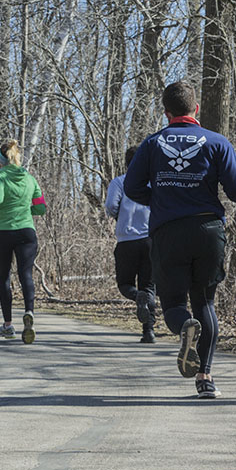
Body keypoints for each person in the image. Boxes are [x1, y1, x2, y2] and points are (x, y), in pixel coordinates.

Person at [124, 80, 236, 398]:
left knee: (176, 304)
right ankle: (205, 378)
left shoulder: (152, 144)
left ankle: (184, 328)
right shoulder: (216, 142)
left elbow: (132, 189)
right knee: (205, 301)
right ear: (196, 109)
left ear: (166, 112)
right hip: (208, 231)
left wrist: (164, 199)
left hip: (168, 233)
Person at [0, 140, 46, 344]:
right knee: (26, 274)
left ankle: (7, 325)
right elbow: (41, 208)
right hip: (26, 231)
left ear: (1, 158)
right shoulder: (30, 179)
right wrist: (25, 210)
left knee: (4, 276)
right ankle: (29, 312)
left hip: (4, 232)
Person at [104, 146, 156, 343]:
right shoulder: (154, 183)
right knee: (149, 286)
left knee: (125, 284)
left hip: (126, 241)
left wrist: (118, 215)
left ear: (127, 163)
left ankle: (137, 297)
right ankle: (148, 332)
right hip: (151, 240)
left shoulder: (119, 182)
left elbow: (110, 206)